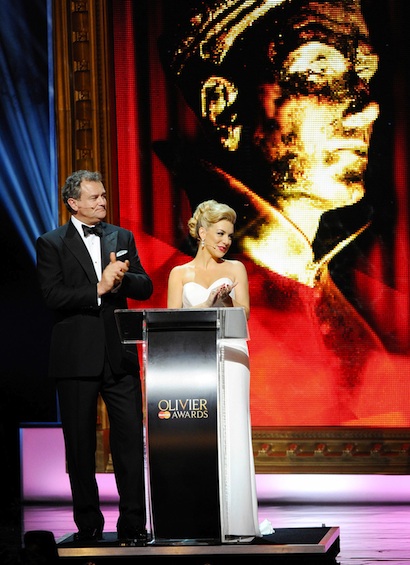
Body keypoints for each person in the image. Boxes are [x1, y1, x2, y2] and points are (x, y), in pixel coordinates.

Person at [155, 0, 410, 427]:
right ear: (223, 107)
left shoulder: (362, 316)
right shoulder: (172, 288)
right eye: (317, 71)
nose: (368, 108)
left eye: (363, 75)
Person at [36, 170, 153, 544]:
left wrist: (122, 279)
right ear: (73, 203)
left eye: (104, 196)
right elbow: (53, 296)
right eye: (94, 197)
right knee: (81, 447)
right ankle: (88, 527)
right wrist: (98, 288)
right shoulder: (51, 243)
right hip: (75, 359)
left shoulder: (121, 236)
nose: (103, 202)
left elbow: (145, 285)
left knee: (130, 443)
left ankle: (134, 524)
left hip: (118, 358)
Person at [167, 199, 260, 541]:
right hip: (195, 356)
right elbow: (171, 320)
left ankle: (237, 521)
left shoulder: (236, 269)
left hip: (232, 353)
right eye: (220, 233)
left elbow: (245, 314)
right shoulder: (180, 274)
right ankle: (200, 514)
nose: (226, 241)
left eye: (230, 236)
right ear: (202, 233)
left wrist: (227, 301)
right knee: (199, 433)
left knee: (232, 429)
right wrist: (206, 305)